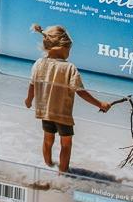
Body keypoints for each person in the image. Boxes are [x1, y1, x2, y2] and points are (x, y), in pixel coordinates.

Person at [24, 24, 112, 174]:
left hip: (45, 112)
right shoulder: (69, 68)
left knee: (47, 139)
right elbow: (80, 92)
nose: (69, 53)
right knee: (66, 144)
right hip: (62, 115)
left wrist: (28, 100)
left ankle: (48, 165)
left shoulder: (39, 63)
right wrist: (100, 103)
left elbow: (33, 84)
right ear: (63, 47)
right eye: (69, 49)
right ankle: (63, 173)